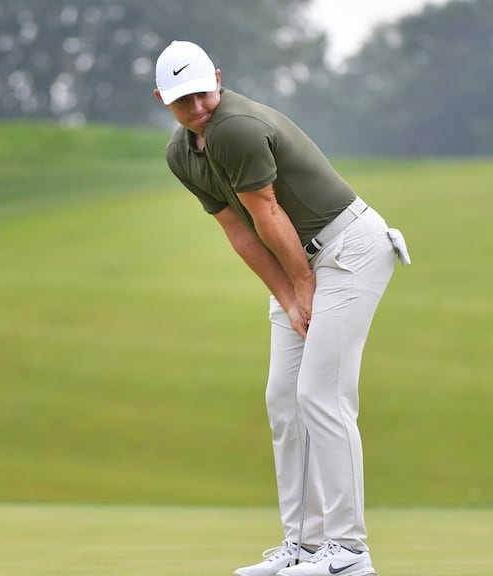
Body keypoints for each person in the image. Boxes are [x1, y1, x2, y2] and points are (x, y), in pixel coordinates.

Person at [153, 40, 409, 576]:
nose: (197, 108)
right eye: (183, 101)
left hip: (349, 250)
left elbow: (267, 210)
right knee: (283, 399)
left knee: (322, 392)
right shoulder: (182, 154)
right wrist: (289, 294)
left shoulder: (236, 128)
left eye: (202, 93)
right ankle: (306, 547)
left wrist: (302, 285)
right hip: (304, 263)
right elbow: (240, 232)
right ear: (162, 99)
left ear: (217, 79)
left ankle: (349, 552)